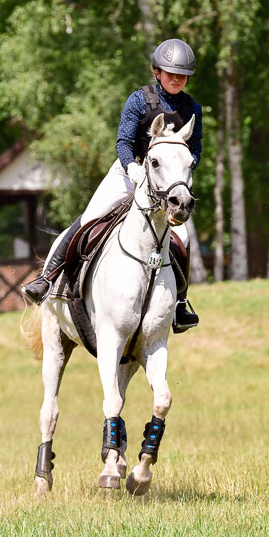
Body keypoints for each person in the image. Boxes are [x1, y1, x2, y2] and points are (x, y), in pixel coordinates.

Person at [23, 37, 203, 332]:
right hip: (128, 174)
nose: (177, 79)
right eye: (171, 73)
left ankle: (180, 305)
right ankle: (48, 278)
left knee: (181, 239)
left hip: (165, 185)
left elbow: (195, 150)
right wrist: (132, 168)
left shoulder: (192, 108)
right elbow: (123, 142)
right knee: (91, 217)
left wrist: (181, 171)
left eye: (182, 75)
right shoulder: (139, 100)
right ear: (156, 72)